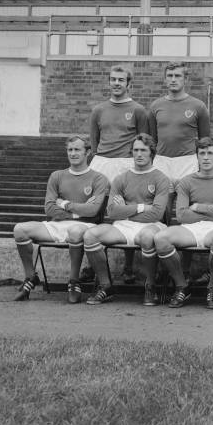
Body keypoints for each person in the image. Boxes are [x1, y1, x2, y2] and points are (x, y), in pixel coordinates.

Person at [13, 135, 109, 304]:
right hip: (56, 224)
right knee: (20, 229)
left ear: (87, 152)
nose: (73, 153)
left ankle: (73, 281)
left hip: (85, 226)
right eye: (70, 150)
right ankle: (30, 276)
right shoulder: (57, 176)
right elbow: (49, 208)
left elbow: (93, 211)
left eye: (77, 149)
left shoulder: (98, 178)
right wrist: (78, 211)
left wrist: (63, 203)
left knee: (75, 231)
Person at [83, 134, 170, 306]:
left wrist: (126, 209)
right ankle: (105, 285)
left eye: (143, 150)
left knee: (147, 237)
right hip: (123, 226)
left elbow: (157, 214)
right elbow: (112, 212)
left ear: (151, 152)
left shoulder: (161, 178)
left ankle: (150, 285)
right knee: (90, 236)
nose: (139, 154)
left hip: (152, 225)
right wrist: (142, 207)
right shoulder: (121, 178)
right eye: (136, 150)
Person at [153, 137, 213, 309]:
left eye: (210, 153)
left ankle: (212, 288)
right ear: (197, 157)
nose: (206, 157)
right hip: (191, 229)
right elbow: (182, 215)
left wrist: (198, 207)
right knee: (161, 238)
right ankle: (182, 286)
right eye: (202, 153)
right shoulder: (187, 181)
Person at [88, 64, 149, 283]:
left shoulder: (139, 110)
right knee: (95, 212)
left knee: (126, 212)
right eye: (113, 79)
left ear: (129, 84)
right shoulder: (99, 110)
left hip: (126, 164)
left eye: (121, 80)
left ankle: (129, 266)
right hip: (102, 162)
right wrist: (102, 158)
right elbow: (94, 142)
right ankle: (92, 265)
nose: (116, 83)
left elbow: (143, 142)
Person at [149, 61, 210, 189]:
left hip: (187, 161)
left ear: (185, 79)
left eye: (177, 76)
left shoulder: (198, 106)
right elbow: (152, 140)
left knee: (187, 206)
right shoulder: (156, 106)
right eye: (170, 76)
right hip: (162, 161)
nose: (173, 79)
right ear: (165, 79)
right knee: (164, 206)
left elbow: (205, 140)